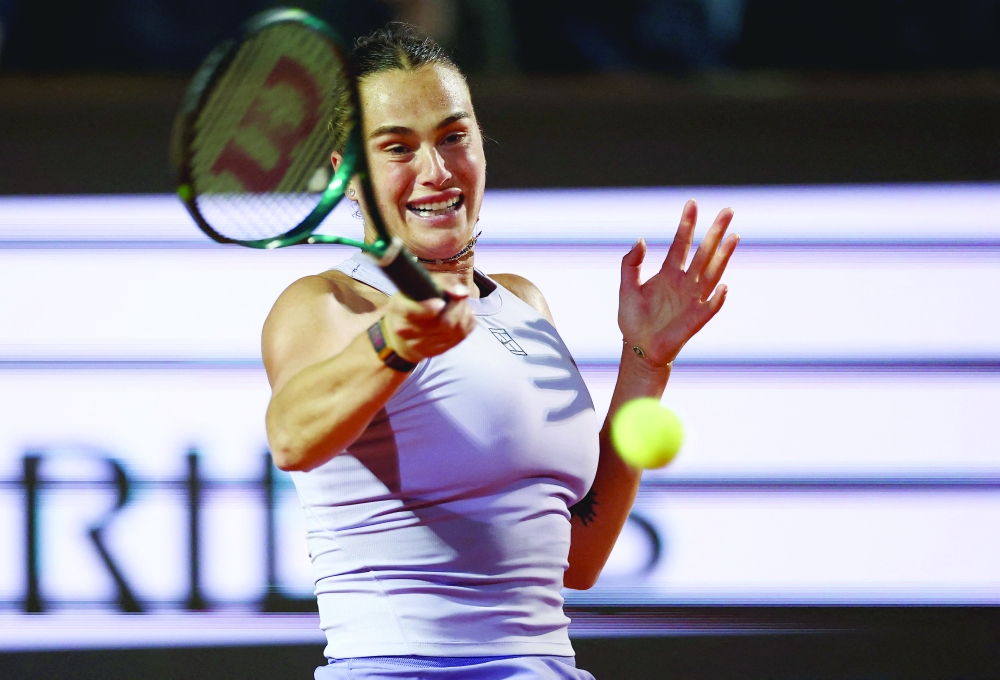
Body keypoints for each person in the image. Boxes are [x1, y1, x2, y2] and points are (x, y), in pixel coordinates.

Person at [262, 24, 738, 680]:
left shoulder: (524, 303)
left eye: (454, 137)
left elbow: (580, 556)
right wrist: (392, 343)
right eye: (397, 147)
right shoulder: (330, 304)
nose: (436, 169)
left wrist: (646, 360)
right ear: (347, 175)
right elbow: (291, 436)